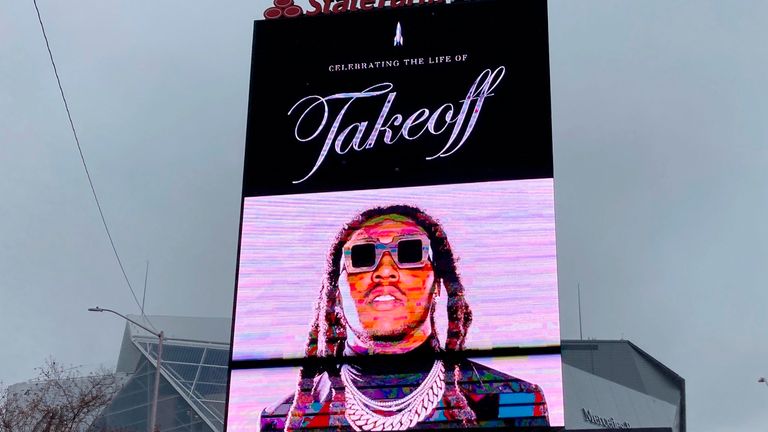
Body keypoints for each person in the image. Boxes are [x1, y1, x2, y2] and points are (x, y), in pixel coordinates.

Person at [260, 205, 549, 431]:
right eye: (362, 256)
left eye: (410, 251)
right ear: (337, 291)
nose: (385, 270)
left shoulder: (513, 401)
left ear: (437, 284)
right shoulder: (284, 419)